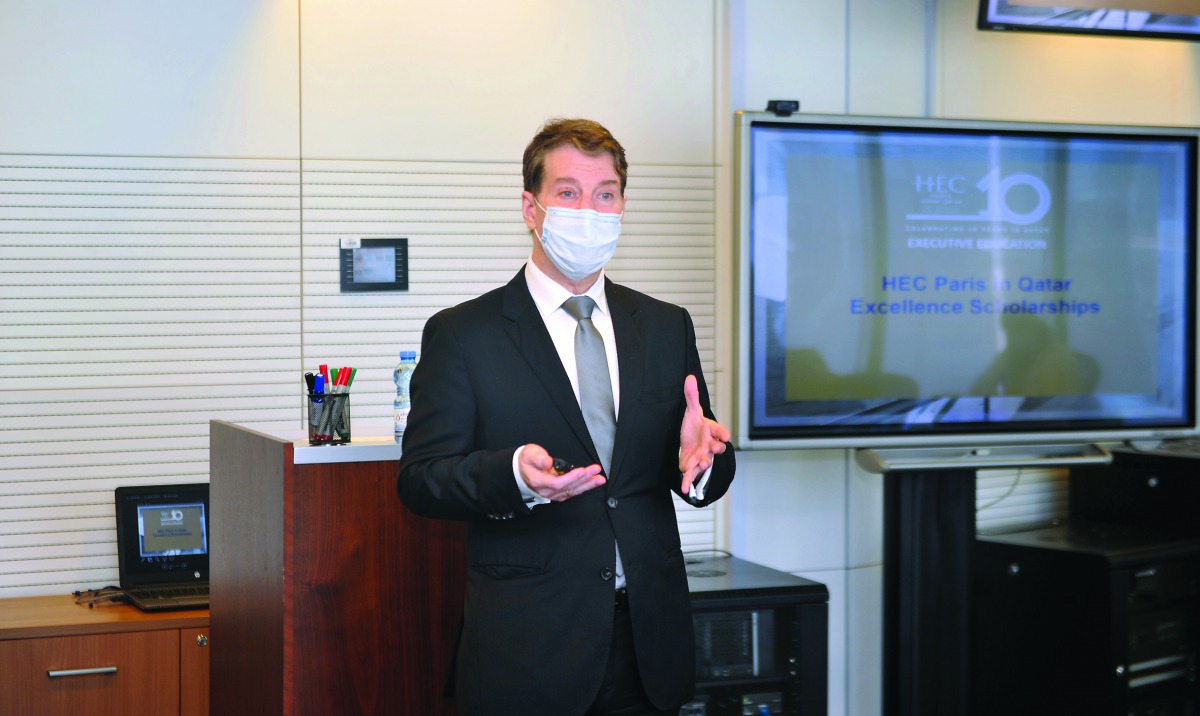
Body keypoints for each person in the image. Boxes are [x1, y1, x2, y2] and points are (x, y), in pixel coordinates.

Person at [397, 117, 736, 715]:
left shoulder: (664, 326)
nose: (590, 209)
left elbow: (699, 451)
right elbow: (421, 478)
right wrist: (514, 478)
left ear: (623, 205)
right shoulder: (463, 335)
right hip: (528, 651)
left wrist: (704, 464)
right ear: (532, 208)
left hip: (647, 648)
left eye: (605, 194)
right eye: (568, 192)